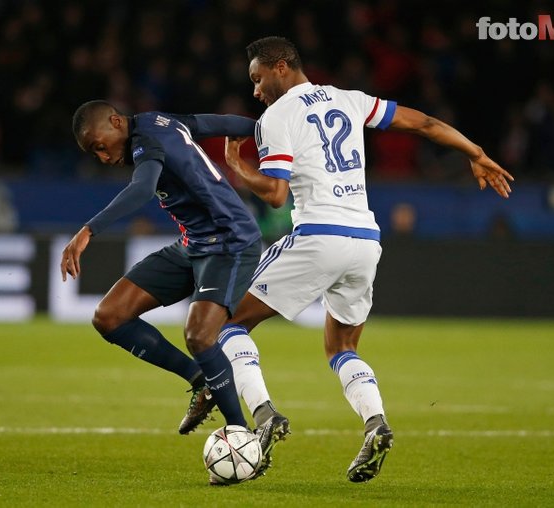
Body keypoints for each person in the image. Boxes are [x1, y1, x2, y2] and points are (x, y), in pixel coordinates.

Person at [219, 36, 515, 483]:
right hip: (365, 239)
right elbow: (424, 123)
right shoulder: (350, 99)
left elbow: (277, 193)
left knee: (226, 323)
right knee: (342, 347)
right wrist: (475, 153)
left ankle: (263, 416)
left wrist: (237, 167)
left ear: (281, 67)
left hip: (318, 234)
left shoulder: (275, 117)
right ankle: (376, 423)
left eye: (258, 79)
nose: (256, 91)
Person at [61, 100, 264, 439]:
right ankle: (201, 380)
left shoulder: (146, 141)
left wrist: (88, 230)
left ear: (115, 122)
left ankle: (240, 436)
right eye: (94, 153)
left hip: (231, 241)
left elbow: (141, 189)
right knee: (109, 316)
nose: (103, 157)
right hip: (194, 244)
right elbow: (209, 122)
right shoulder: (159, 122)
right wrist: (258, 128)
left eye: (100, 146)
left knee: (199, 335)